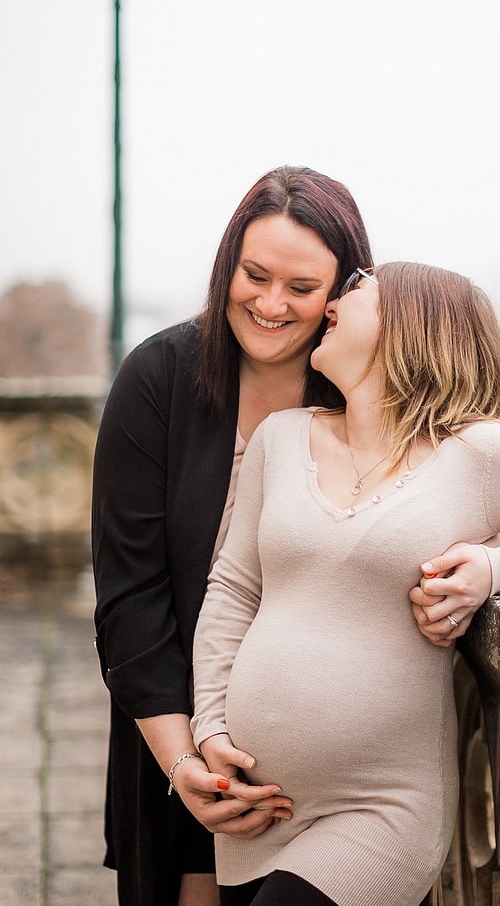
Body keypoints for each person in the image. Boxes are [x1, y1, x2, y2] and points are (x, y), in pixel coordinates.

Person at [190, 262, 500, 906]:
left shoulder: (481, 454)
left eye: (356, 293)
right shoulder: (280, 439)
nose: (335, 304)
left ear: (411, 325)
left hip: (382, 808)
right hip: (256, 809)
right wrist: (210, 730)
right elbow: (233, 590)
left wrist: (496, 568)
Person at [91, 166, 374, 906]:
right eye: (255, 275)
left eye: (301, 288)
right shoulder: (157, 379)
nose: (271, 304)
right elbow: (131, 599)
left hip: (334, 775)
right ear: (227, 267)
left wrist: (489, 559)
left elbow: (463, 492)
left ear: (343, 294)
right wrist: (186, 765)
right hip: (177, 748)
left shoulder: (367, 390)